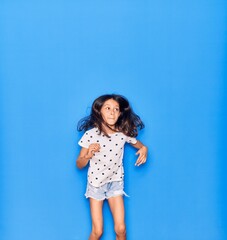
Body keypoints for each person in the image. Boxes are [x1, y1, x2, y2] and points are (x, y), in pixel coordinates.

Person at [76, 94, 148, 240]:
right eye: (107, 108)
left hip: (115, 182)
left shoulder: (123, 134)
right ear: (99, 111)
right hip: (96, 184)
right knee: (98, 231)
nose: (112, 112)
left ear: (120, 113)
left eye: (116, 109)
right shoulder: (91, 135)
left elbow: (139, 145)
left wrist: (144, 149)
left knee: (121, 229)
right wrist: (88, 155)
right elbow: (79, 164)